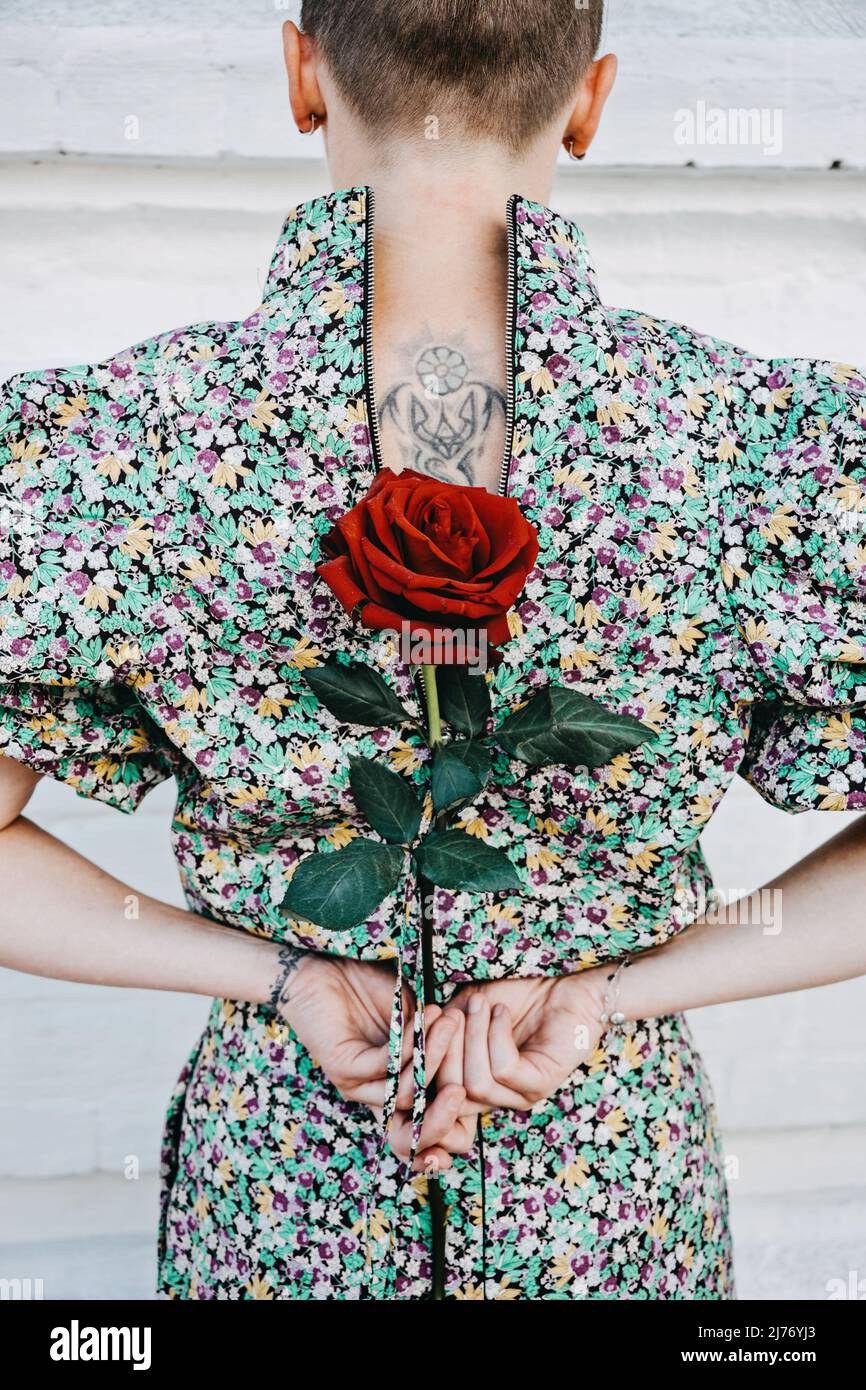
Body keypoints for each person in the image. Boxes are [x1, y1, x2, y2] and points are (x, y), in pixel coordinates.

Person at [0, 0, 864, 1301]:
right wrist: (603, 995)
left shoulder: (113, 448)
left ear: (301, 74)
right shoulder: (765, 452)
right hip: (610, 1197)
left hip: (279, 1191)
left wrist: (281, 971)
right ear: (587, 98)